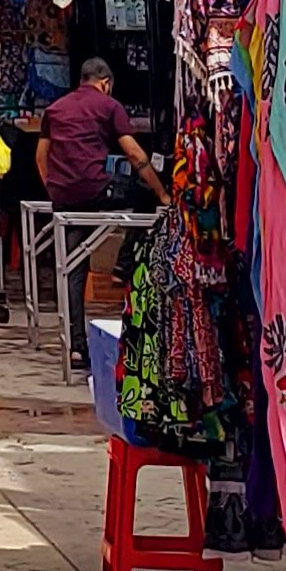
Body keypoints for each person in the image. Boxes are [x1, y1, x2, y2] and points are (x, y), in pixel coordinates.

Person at [39, 57, 168, 375]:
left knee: (73, 269)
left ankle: (76, 347)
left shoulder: (54, 110)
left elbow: (41, 157)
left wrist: (55, 190)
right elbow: (134, 154)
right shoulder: (109, 106)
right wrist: (162, 193)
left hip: (63, 197)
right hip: (97, 190)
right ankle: (123, 264)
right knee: (143, 194)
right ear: (106, 83)